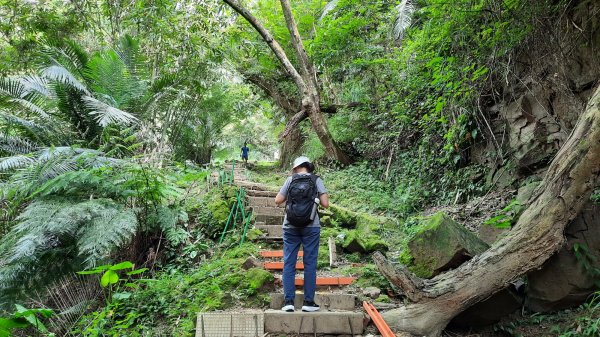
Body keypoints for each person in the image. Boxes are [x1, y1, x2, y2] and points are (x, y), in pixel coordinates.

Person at [274, 156, 329, 312]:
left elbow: (277, 200)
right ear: (308, 166)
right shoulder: (316, 180)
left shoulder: (290, 180)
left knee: (289, 263)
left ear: (296, 167)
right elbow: (325, 204)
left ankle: (288, 302)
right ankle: (308, 302)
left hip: (290, 226)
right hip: (311, 226)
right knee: (310, 264)